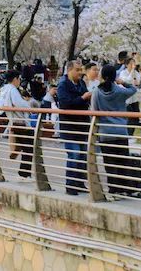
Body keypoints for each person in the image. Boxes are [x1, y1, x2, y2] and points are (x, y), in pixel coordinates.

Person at [92, 64, 141, 197]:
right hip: (120, 132)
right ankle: (125, 188)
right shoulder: (119, 91)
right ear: (115, 76)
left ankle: (114, 190)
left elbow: (94, 112)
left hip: (105, 133)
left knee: (109, 163)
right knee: (123, 161)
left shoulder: (96, 92)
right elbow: (133, 89)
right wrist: (122, 82)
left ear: (102, 76)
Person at [57, 60, 92, 195]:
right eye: (77, 70)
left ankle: (79, 182)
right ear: (69, 70)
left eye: (80, 70)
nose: (80, 72)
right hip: (69, 126)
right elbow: (65, 104)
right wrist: (83, 98)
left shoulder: (81, 83)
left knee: (82, 155)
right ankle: (70, 184)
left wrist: (87, 98)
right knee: (74, 154)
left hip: (82, 125)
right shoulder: (63, 85)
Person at [0, 70, 32, 178]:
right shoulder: (13, 90)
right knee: (29, 147)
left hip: (13, 121)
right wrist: (29, 106)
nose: (20, 81)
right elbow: (20, 104)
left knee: (26, 147)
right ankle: (24, 173)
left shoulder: (3, 90)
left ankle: (24, 173)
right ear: (15, 79)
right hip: (19, 122)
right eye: (19, 79)